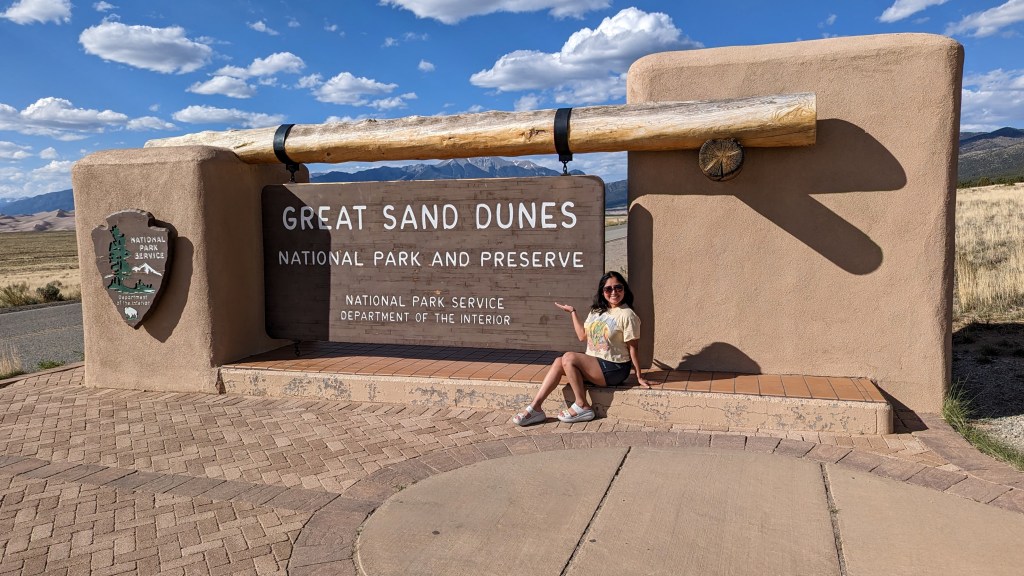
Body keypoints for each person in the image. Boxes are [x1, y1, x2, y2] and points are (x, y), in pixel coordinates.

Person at [512, 271, 651, 426]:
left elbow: (633, 348)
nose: (614, 292)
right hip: (596, 365)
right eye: (608, 289)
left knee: (569, 357)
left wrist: (638, 376)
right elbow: (582, 336)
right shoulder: (596, 312)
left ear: (624, 289)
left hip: (615, 368)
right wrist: (573, 312)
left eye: (618, 287)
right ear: (602, 292)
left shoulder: (627, 314)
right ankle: (536, 407)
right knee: (559, 361)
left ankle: (582, 405)